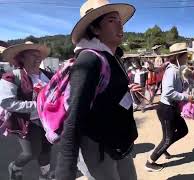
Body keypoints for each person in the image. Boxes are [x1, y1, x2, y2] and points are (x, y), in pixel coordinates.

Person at [55, 0, 140, 180]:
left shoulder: (113, 57)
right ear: (95, 29)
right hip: (98, 148)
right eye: (111, 20)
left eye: (119, 20)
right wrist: (65, 171)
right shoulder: (89, 60)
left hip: (121, 142)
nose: (120, 24)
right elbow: (74, 118)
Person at [0, 41, 54, 180]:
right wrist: (37, 105)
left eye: (39, 55)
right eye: (33, 55)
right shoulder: (12, 76)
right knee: (31, 153)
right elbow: (5, 102)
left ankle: (45, 175)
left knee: (47, 150)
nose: (38, 58)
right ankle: (15, 166)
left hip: (49, 121)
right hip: (28, 122)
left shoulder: (49, 75)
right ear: (22, 57)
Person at [145, 43, 193, 172]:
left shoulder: (177, 69)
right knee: (168, 138)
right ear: (178, 56)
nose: (187, 58)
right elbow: (168, 92)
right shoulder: (172, 70)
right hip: (166, 109)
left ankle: (162, 148)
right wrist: (185, 97)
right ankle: (150, 162)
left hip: (172, 108)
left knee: (183, 130)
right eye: (186, 55)